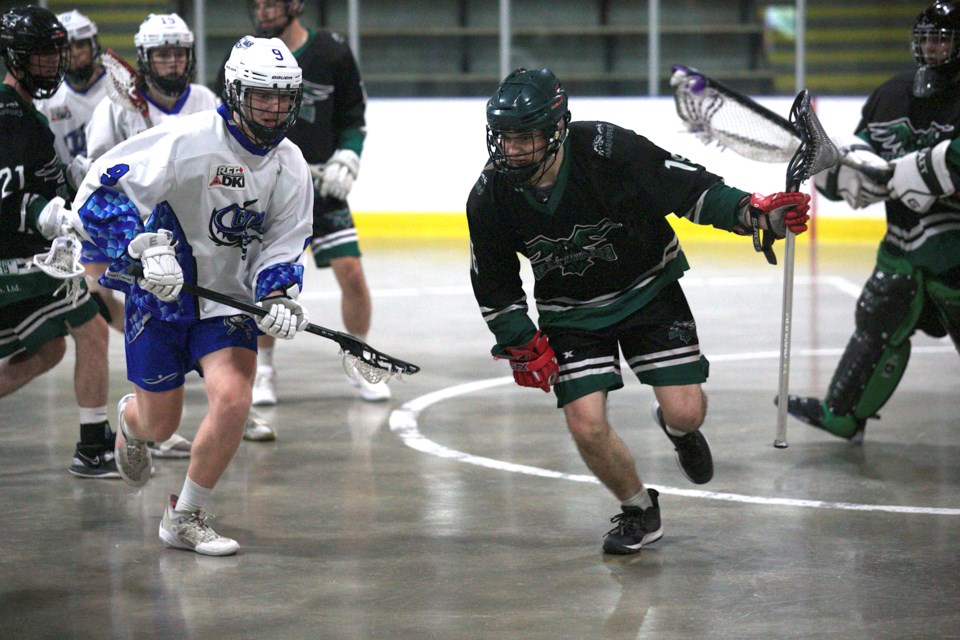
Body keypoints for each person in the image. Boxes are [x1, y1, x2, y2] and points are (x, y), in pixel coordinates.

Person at [467, 68, 811, 555]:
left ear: (557, 128)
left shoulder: (609, 149)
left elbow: (690, 191)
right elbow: (494, 282)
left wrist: (753, 212)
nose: (513, 149)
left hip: (649, 289)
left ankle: (676, 429)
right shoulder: (489, 197)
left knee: (687, 413)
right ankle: (638, 509)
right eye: (505, 137)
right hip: (570, 314)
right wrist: (520, 339)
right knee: (585, 423)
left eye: (526, 137)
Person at [72, 35, 313, 555]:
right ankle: (131, 422)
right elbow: (98, 189)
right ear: (233, 91)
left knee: (233, 398)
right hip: (162, 295)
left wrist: (276, 296)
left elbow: (284, 242)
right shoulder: (186, 139)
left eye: (282, 97)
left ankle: (184, 516)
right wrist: (142, 248)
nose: (272, 109)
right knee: (161, 425)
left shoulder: (291, 164)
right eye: (260, 96)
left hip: (226, 300)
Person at [787, 0, 960, 442]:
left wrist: (918, 171)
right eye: (926, 38)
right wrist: (846, 170)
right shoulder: (893, 92)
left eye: (942, 39)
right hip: (904, 248)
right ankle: (841, 415)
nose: (932, 48)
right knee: (877, 318)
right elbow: (863, 148)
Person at [217, 0, 388, 408]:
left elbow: (352, 116)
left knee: (351, 271)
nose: (263, 10)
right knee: (261, 284)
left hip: (320, 190)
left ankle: (358, 355)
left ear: (296, 4)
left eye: (272, 2)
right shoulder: (242, 55)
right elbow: (222, 118)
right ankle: (265, 370)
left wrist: (349, 155)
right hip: (262, 188)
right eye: (257, 3)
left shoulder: (332, 51)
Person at [78, 12, 220, 457]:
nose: (172, 62)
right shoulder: (114, 108)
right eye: (162, 54)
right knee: (102, 296)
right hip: (131, 232)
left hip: (187, 231)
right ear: (145, 58)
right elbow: (99, 174)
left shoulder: (207, 100)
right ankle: (147, 404)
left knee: (204, 315)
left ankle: (222, 402)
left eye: (179, 53)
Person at [0, 5, 116, 479]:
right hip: (16, 260)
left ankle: (93, 444)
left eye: (56, 55)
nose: (53, 65)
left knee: (49, 351)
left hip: (26, 256)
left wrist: (72, 181)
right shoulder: (8, 112)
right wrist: (40, 212)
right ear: (15, 57)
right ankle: (93, 447)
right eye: (41, 57)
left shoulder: (27, 114)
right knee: (90, 331)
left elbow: (36, 176)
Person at [35, 10, 107, 192]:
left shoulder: (119, 88)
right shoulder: (44, 98)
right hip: (69, 192)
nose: (74, 53)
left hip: (117, 186)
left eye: (81, 45)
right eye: (66, 47)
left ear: (94, 46)